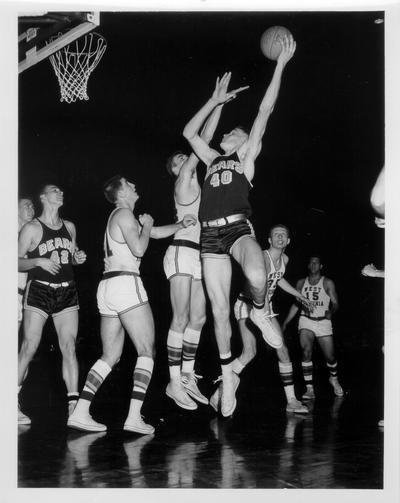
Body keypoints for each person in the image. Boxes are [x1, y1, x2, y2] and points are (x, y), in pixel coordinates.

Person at [183, 36, 296, 416]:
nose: (228, 133)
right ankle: (228, 376)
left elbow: (266, 108)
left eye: (234, 131)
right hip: (208, 235)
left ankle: (260, 310)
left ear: (245, 140)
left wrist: (279, 65)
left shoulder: (246, 158)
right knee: (218, 311)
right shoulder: (213, 158)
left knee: (256, 272)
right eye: (228, 131)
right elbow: (189, 134)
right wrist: (213, 101)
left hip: (237, 229)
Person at [68, 176, 196, 434]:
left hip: (107, 288)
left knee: (110, 355)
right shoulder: (125, 214)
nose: (135, 185)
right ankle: (134, 417)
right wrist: (147, 226)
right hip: (126, 284)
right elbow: (139, 248)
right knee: (147, 350)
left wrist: (180, 224)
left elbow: (154, 232)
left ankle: (80, 412)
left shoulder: (119, 216)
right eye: (129, 184)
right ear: (121, 192)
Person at [211, 225, 311, 414]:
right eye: (276, 235)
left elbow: (278, 278)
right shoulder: (262, 258)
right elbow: (260, 286)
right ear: (269, 240)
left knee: (282, 349)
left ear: (288, 241)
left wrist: (299, 295)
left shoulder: (285, 259)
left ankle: (291, 400)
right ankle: (222, 389)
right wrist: (263, 311)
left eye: (284, 235)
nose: (280, 237)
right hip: (247, 305)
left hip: (265, 306)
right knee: (249, 352)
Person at [163, 105, 223, 410]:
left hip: (200, 255)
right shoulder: (183, 183)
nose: (186, 159)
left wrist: (221, 105)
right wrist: (214, 102)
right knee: (182, 317)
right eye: (179, 160)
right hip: (181, 253)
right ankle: (174, 381)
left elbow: (204, 142)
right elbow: (202, 139)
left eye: (185, 157)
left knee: (199, 317)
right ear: (176, 170)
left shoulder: (200, 184)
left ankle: (187, 375)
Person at [18, 185, 87, 425]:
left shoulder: (70, 227)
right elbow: (15, 261)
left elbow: (73, 255)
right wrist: (38, 260)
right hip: (39, 289)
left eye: (61, 190)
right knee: (30, 345)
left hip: (67, 291)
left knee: (69, 347)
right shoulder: (32, 228)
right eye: (54, 190)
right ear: (43, 197)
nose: (61, 192)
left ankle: (74, 406)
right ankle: (10, 401)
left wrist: (78, 257)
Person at [282, 256, 344, 399]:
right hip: (306, 320)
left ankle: (333, 378)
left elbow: (335, 303)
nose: (313, 264)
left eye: (316, 262)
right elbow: (297, 304)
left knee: (330, 356)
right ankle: (309, 389)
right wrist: (285, 322)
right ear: (308, 265)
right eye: (311, 262)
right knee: (306, 351)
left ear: (321, 266)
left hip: (323, 322)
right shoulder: (301, 283)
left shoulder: (327, 282)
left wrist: (331, 311)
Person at [18, 198, 35, 331]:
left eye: (32, 206)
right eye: (26, 206)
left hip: (21, 295)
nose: (31, 209)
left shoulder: (29, 237)